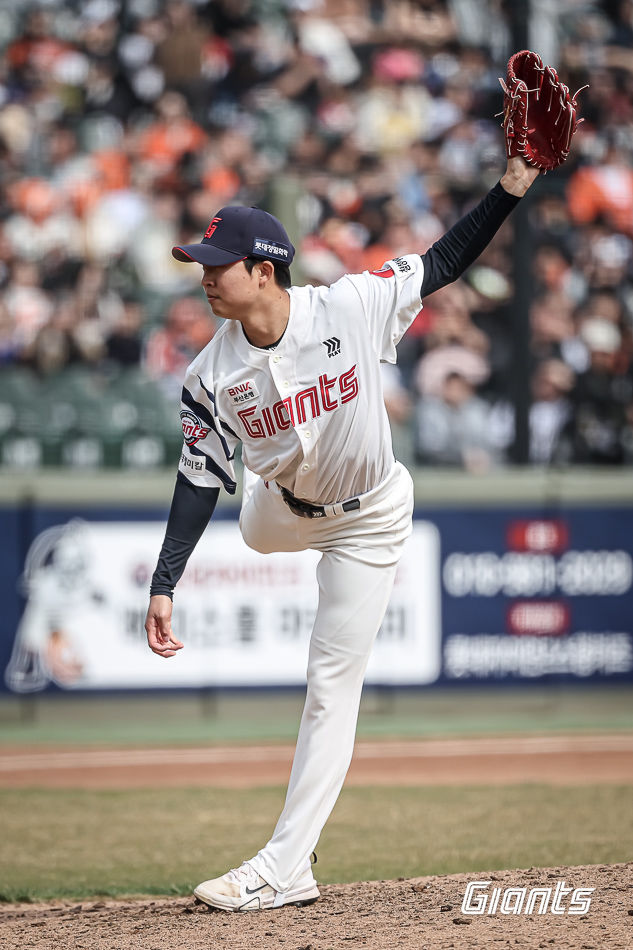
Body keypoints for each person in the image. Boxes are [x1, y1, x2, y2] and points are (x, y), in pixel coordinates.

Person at [144, 154, 539, 912]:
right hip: (278, 512)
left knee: (331, 689)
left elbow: (443, 260)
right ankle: (274, 480)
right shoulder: (207, 375)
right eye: (201, 262)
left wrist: (511, 185)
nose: (203, 274)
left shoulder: (349, 306)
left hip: (369, 517)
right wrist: (165, 582)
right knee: (258, 516)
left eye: (217, 264)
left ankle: (286, 866)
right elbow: (197, 478)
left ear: (265, 271)